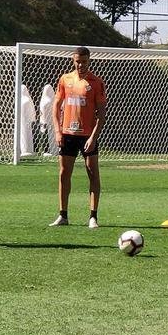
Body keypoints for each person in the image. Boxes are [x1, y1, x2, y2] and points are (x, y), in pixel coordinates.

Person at [50, 46, 107, 228]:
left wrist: (93, 137)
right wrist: (58, 131)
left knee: (92, 173)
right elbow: (56, 107)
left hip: (87, 136)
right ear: (73, 60)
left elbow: (102, 114)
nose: (80, 64)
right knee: (64, 173)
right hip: (67, 134)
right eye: (77, 61)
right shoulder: (65, 79)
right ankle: (63, 215)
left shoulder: (96, 82)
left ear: (89, 60)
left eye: (83, 61)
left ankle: (93, 216)